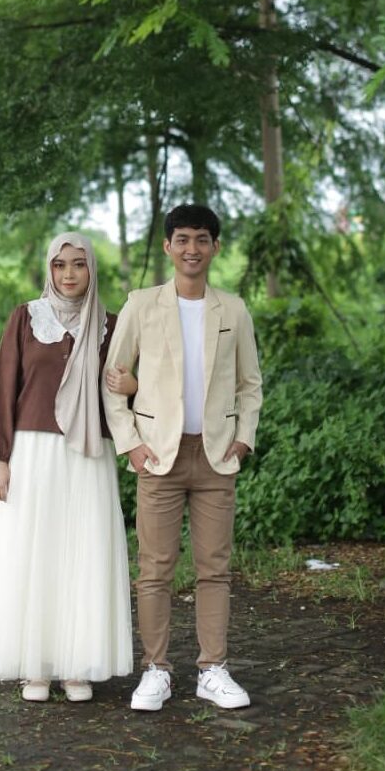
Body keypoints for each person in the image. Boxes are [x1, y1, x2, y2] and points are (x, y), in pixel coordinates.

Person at [102, 204, 262, 712]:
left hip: (215, 457)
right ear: (169, 246)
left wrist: (243, 438)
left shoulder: (233, 309)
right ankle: (156, 670)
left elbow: (250, 384)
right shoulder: (141, 305)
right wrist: (130, 443)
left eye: (202, 239)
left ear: (215, 247)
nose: (192, 248)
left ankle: (213, 669)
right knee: (155, 570)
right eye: (183, 239)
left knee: (215, 568)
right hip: (158, 457)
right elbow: (113, 379)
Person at [0, 232, 136, 703]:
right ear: (49, 269)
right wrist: (0, 459)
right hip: (33, 453)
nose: (68, 273)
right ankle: (35, 666)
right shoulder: (26, 317)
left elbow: (126, 391)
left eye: (78, 264)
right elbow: (4, 388)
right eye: (60, 265)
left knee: (82, 553)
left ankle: (76, 666)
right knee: (34, 554)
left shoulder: (110, 325)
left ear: (91, 269)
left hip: (88, 455)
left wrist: (133, 386)